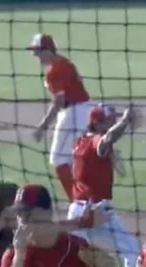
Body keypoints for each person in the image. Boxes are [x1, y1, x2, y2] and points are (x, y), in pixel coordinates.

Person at [67, 104, 141, 267]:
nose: (114, 122)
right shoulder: (95, 142)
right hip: (97, 210)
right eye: (111, 120)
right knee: (133, 254)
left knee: (68, 257)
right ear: (98, 123)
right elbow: (106, 140)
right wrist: (125, 122)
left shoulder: (81, 141)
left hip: (78, 210)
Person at [26, 33, 95, 201]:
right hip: (82, 111)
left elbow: (58, 102)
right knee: (75, 158)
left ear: (48, 50)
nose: (35, 55)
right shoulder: (64, 63)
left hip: (73, 113)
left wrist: (42, 127)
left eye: (38, 51)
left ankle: (78, 201)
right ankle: (89, 198)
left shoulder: (56, 70)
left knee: (59, 160)